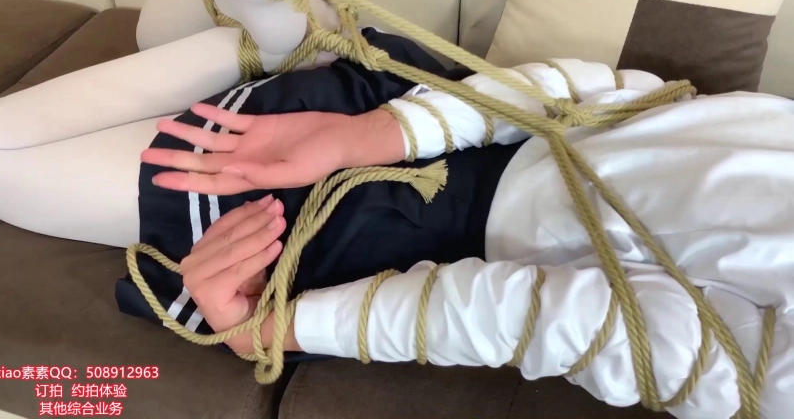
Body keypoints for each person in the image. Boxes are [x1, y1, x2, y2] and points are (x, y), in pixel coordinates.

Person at [133, 53, 794, 419]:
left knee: (115, 163)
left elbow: (560, 320)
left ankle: (255, 23)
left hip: (422, 223)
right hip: (456, 113)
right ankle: (259, 21)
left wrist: (275, 329)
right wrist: (375, 133)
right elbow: (635, 100)